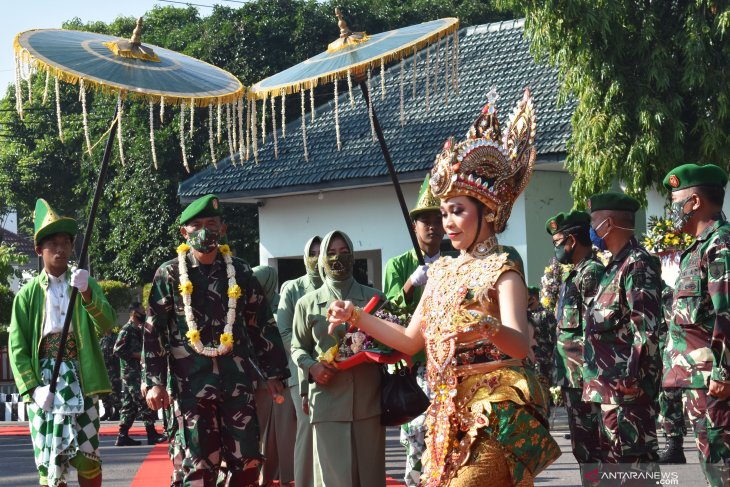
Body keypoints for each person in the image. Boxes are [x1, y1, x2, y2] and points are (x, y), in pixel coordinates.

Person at [327, 90, 560, 486]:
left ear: (487, 212)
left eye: (458, 211)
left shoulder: (503, 270)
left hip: (495, 408)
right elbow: (408, 341)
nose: (448, 222)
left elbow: (521, 343)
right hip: (446, 411)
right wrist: (357, 316)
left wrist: (487, 327)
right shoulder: (441, 273)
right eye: (444, 212)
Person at [143, 194, 289, 487]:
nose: (204, 231)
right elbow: (153, 331)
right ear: (184, 233)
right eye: (196, 225)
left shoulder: (242, 272)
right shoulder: (169, 274)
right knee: (198, 468)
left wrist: (274, 373)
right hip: (190, 389)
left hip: (237, 384)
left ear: (223, 229)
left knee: (247, 462)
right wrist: (155, 381)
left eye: (211, 223)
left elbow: (260, 324)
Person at [9, 198, 115, 487]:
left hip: (82, 377)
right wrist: (32, 389)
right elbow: (17, 348)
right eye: (52, 243)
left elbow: (107, 325)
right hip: (45, 382)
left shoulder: (85, 283)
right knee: (50, 459)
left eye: (65, 242)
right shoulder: (27, 295)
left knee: (88, 456)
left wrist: (88, 295)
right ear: (38, 249)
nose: (60, 249)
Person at [291, 230, 387, 487]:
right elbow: (298, 348)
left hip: (368, 399)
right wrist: (311, 369)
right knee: (333, 480)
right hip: (327, 401)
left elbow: (391, 341)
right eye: (331, 252)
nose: (338, 258)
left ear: (353, 256)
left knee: (370, 477)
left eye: (344, 252)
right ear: (322, 258)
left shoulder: (375, 299)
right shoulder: (306, 304)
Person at [584, 192, 663, 479]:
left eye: (593, 221)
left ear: (609, 223)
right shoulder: (614, 267)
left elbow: (647, 327)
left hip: (626, 392)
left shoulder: (636, 264)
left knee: (634, 473)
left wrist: (634, 379)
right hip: (610, 391)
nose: (590, 229)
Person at [661, 163, 730, 485]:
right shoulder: (696, 250)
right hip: (700, 383)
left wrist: (724, 372)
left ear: (695, 202)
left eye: (677, 201)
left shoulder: (721, 245)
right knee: (713, 469)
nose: (673, 209)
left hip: (717, 384)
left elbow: (726, 312)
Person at [383, 174, 445, 486]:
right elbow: (387, 312)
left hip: (445, 360)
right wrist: (410, 284)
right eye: (425, 221)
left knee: (445, 430)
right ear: (414, 227)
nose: (433, 227)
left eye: (439, 219)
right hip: (413, 361)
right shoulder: (397, 266)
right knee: (418, 432)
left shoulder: (453, 263)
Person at [545, 210, 604, 482]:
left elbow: (597, 330)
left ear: (571, 241)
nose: (556, 249)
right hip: (574, 378)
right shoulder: (574, 275)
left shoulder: (590, 273)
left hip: (587, 379)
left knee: (595, 448)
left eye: (558, 242)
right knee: (584, 448)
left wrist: (591, 379)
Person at [276, 236, 322, 487]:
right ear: (305, 257)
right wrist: (307, 358)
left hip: (334, 369)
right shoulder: (293, 288)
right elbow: (284, 332)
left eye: (320, 251)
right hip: (301, 370)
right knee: (307, 427)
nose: (317, 257)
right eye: (312, 253)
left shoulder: (334, 284)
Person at [252, 265, 295, 487]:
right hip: (257, 383)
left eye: (257, 283)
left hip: (283, 380)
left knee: (284, 432)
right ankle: (263, 476)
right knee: (260, 433)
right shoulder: (247, 308)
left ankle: (286, 476)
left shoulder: (284, 306)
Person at [113, 302, 166, 446]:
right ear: (133, 313)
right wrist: (135, 355)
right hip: (131, 374)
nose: (143, 313)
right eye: (141, 311)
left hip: (136, 372)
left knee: (129, 406)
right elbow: (117, 350)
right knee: (143, 401)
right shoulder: (127, 330)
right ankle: (151, 434)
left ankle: (122, 436)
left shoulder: (138, 329)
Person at [657, 276, 688, 464]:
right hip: (652, 357)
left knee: (669, 399)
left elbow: (674, 327)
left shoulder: (666, 295)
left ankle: (675, 446)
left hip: (668, 356)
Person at [526, 286, 557, 389]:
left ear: (534, 298)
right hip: (530, 356)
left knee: (544, 383)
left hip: (543, 356)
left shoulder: (546, 314)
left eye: (529, 298)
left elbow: (554, 336)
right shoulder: (525, 314)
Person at [99, 327, 122, 421]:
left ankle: (117, 412)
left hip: (114, 368)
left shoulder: (116, 338)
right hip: (104, 369)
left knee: (114, 391)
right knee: (104, 391)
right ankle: (107, 411)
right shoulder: (102, 340)